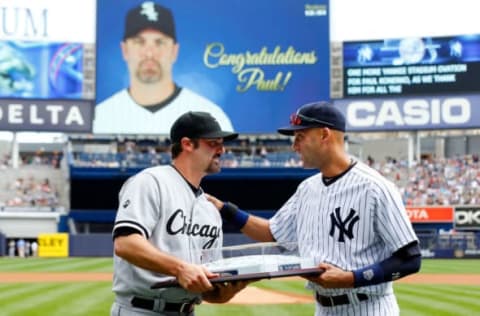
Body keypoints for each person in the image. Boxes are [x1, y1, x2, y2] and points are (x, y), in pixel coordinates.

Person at [207, 101, 421, 316]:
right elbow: (273, 233)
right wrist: (225, 209)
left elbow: (410, 258)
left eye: (300, 137)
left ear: (324, 135)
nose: (294, 146)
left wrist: (351, 278)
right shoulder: (307, 189)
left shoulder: (375, 187)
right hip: (323, 309)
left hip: (369, 308)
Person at [111, 111, 246, 316]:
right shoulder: (151, 181)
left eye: (221, 143)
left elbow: (205, 289)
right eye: (213, 143)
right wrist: (180, 269)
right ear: (187, 144)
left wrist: (228, 290)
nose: (222, 150)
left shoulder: (210, 210)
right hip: (141, 309)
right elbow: (126, 243)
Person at [93, 1, 233, 134]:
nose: (149, 53)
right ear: (124, 50)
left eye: (159, 42)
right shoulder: (101, 117)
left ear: (174, 51)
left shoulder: (211, 118)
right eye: (139, 42)